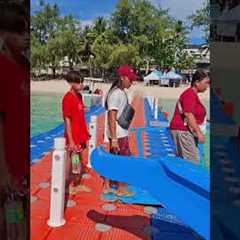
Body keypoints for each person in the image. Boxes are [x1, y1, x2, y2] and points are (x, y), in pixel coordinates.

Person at [0, 6, 29, 239]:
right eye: (19, 32)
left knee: (20, 217)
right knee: (13, 222)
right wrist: (4, 172)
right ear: (3, 35)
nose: (27, 36)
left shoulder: (23, 67)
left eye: (27, 30)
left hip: (22, 162)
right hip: (9, 166)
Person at [103, 64, 137, 197]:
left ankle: (108, 185)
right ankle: (121, 188)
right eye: (130, 78)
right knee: (124, 161)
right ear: (122, 78)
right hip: (118, 134)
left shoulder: (120, 92)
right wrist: (114, 139)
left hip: (119, 133)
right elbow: (111, 117)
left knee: (113, 160)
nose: (132, 81)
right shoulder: (116, 94)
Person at [170, 69, 210, 163]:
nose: (207, 86)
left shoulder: (192, 95)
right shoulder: (190, 94)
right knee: (193, 162)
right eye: (206, 83)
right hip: (183, 131)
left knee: (186, 161)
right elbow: (188, 114)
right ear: (196, 82)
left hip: (185, 131)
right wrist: (198, 132)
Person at [62, 71, 90, 188]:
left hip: (81, 133)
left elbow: (80, 112)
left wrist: (86, 131)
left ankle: (75, 181)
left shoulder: (79, 96)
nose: (81, 85)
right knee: (74, 160)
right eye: (79, 83)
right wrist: (71, 140)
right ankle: (70, 183)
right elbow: (67, 121)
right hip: (73, 135)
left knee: (79, 159)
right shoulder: (67, 99)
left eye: (82, 82)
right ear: (72, 83)